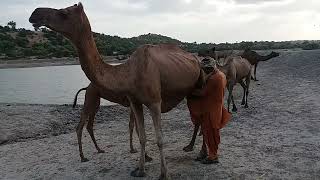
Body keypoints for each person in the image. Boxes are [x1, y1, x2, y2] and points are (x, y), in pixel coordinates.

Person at [187, 58, 231, 164]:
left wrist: (189, 91)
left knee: (211, 134)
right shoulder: (221, 75)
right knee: (210, 133)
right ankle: (207, 153)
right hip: (216, 107)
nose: (205, 71)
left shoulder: (214, 78)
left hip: (211, 110)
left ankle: (213, 156)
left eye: (207, 69)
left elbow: (202, 93)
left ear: (211, 68)